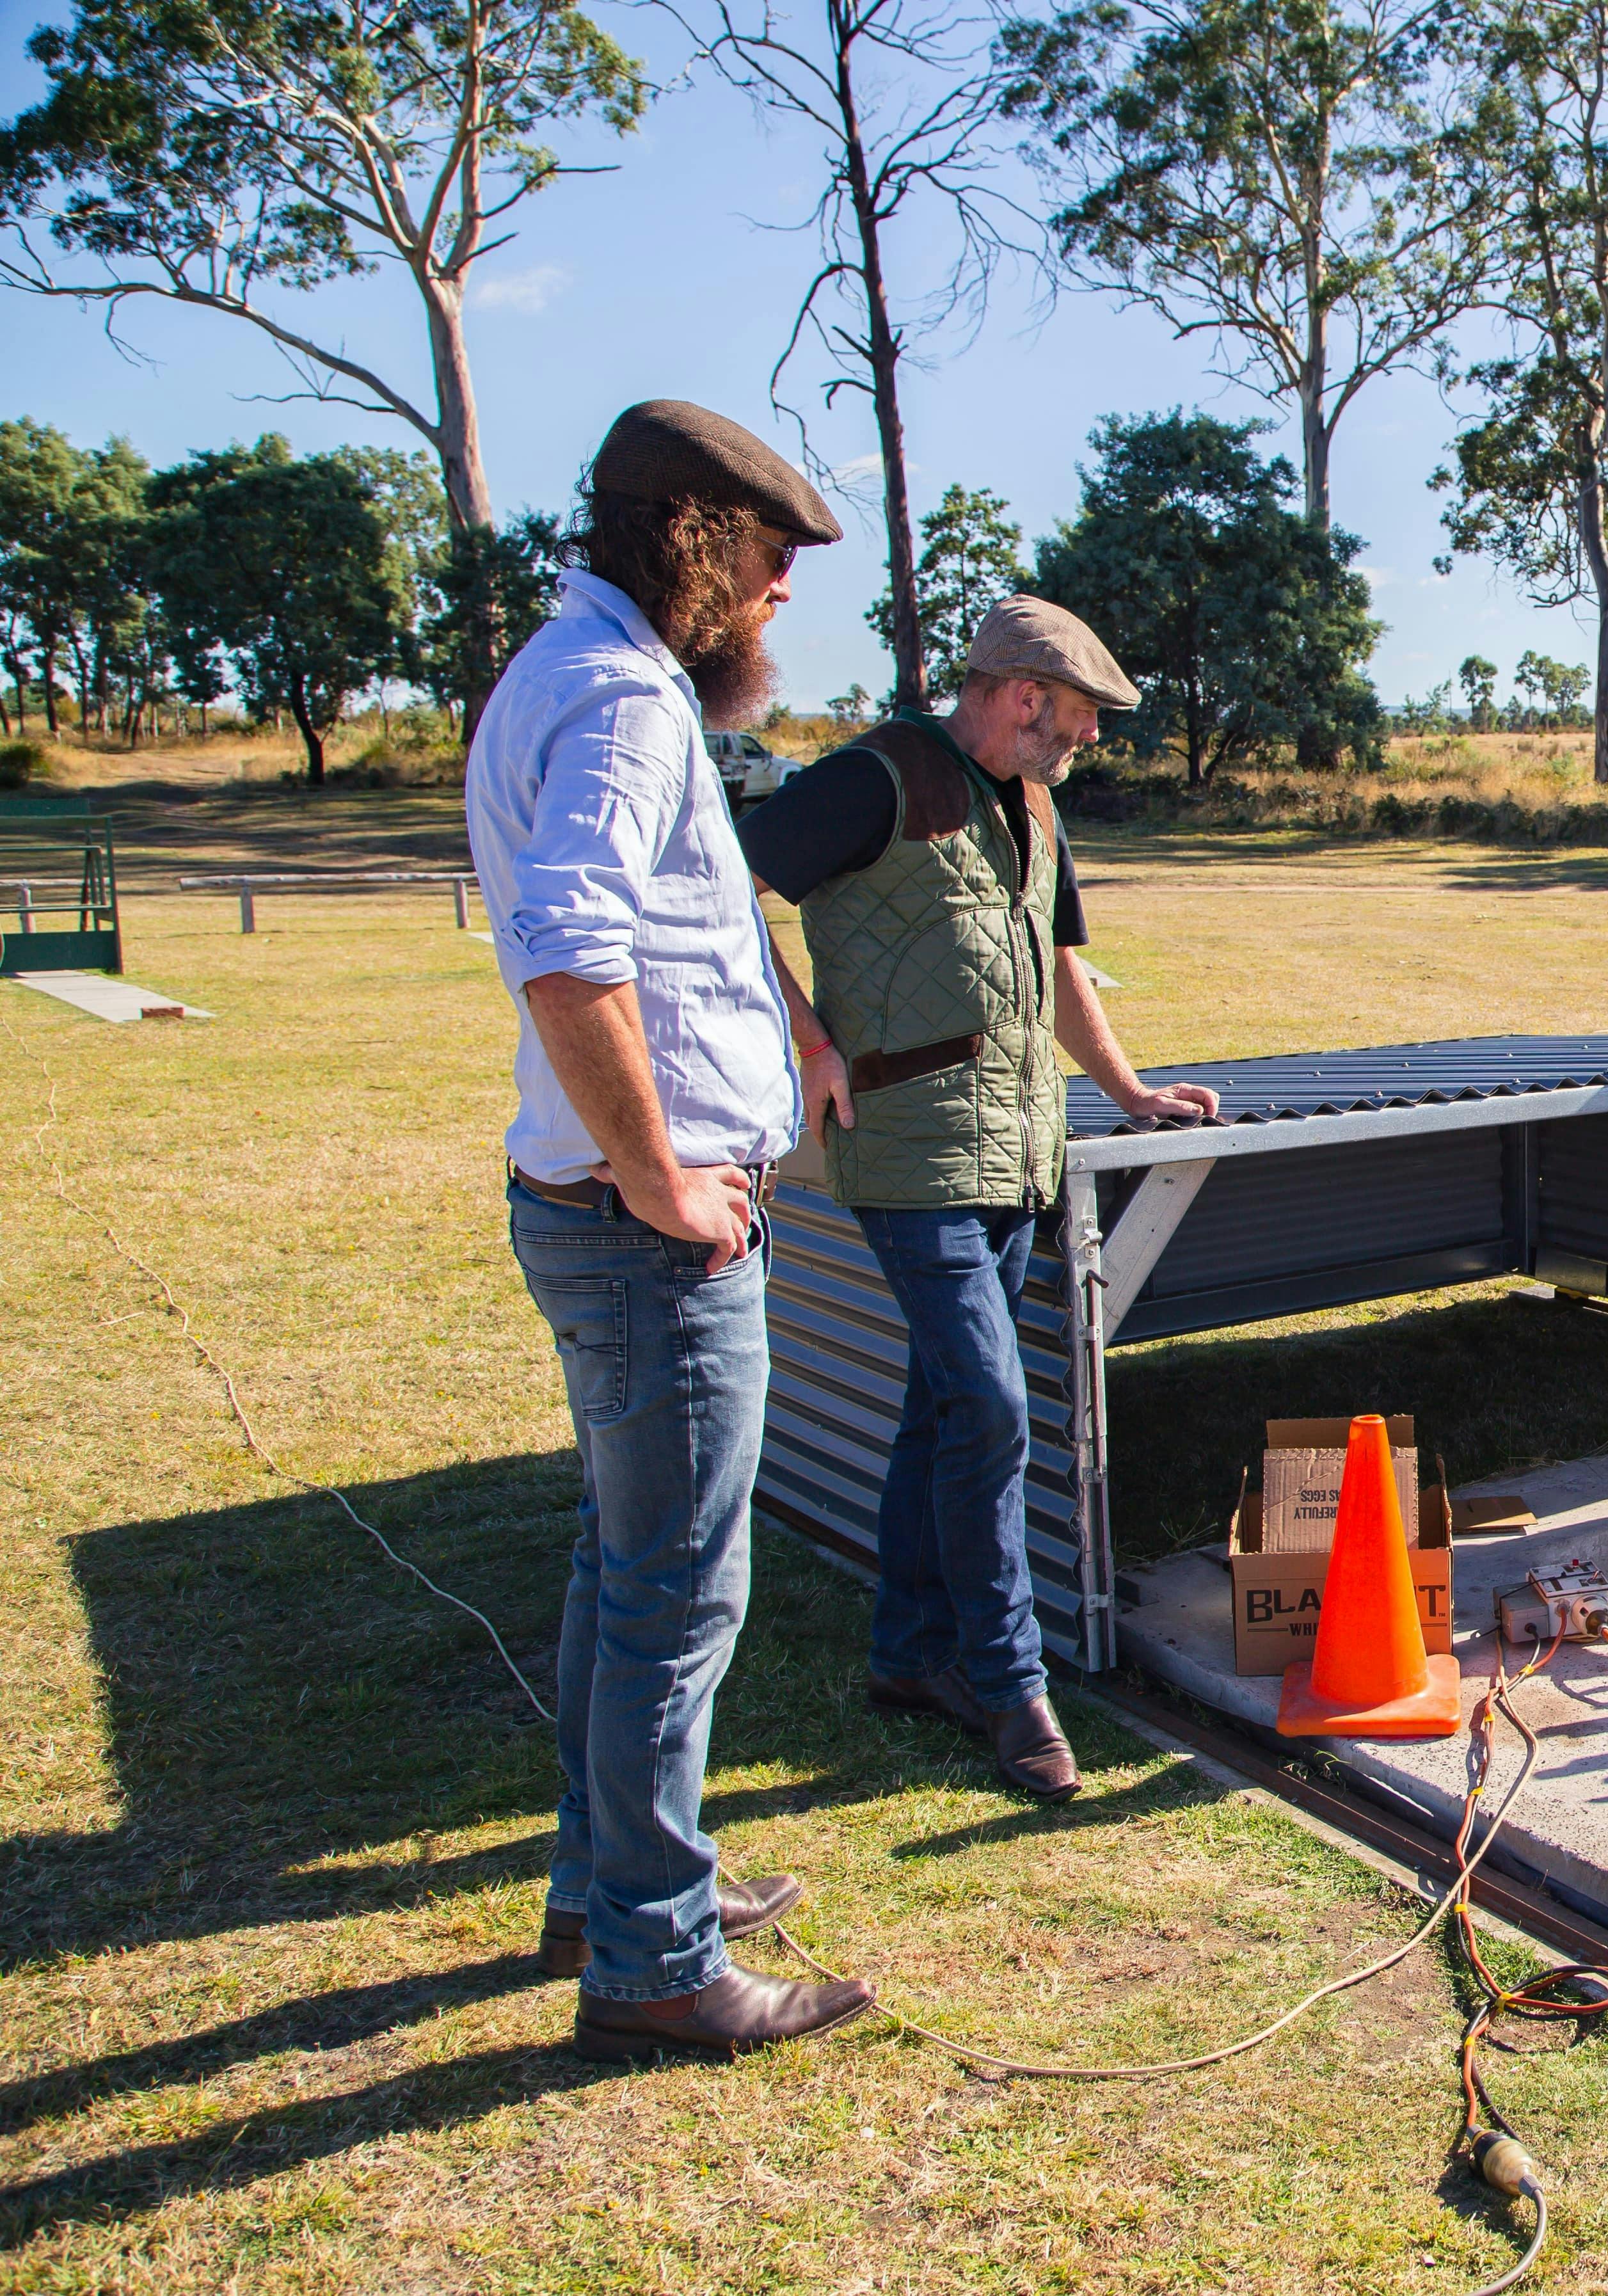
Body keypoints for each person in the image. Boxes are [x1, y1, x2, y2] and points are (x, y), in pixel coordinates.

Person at [466, 399, 875, 2062]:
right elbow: (569, 948)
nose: (782, 599)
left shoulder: (567, 670)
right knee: (678, 1599)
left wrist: (786, 1032)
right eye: (773, 565)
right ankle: (651, 1956)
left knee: (617, 1567)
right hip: (648, 1236)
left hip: (588, 1214)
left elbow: (657, 931)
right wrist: (659, 1175)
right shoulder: (629, 700)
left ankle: (605, 1872)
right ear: (703, 543)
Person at [737, 597, 1219, 1799]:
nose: (1089, 740)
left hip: (1017, 1150)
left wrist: (1127, 1086)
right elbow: (724, 892)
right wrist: (806, 1040)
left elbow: (1055, 962)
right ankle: (1009, 1686)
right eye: (1079, 717)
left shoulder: (1038, 807)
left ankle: (906, 1655)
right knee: (993, 1407)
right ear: (1017, 694)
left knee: (942, 1413)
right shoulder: (876, 778)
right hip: (907, 1153)